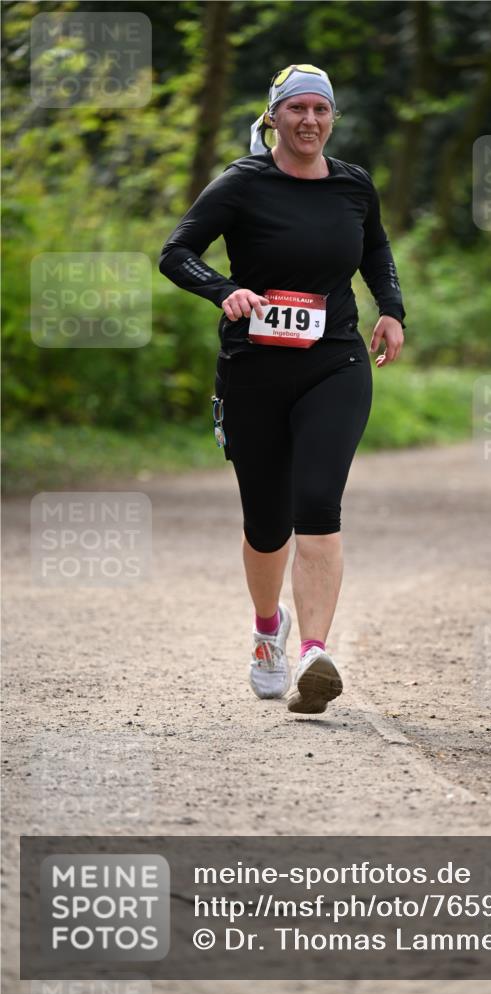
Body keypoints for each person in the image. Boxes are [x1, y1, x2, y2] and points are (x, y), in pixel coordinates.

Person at [159, 64, 405, 713]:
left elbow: (375, 251)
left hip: (335, 363)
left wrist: (390, 309)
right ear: (273, 117)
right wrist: (224, 290)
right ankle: (269, 630)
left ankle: (313, 655)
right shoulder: (243, 184)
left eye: (320, 111)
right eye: (296, 109)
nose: (309, 122)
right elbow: (175, 251)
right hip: (253, 370)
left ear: (331, 118)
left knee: (318, 503)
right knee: (266, 525)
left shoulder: (353, 185)